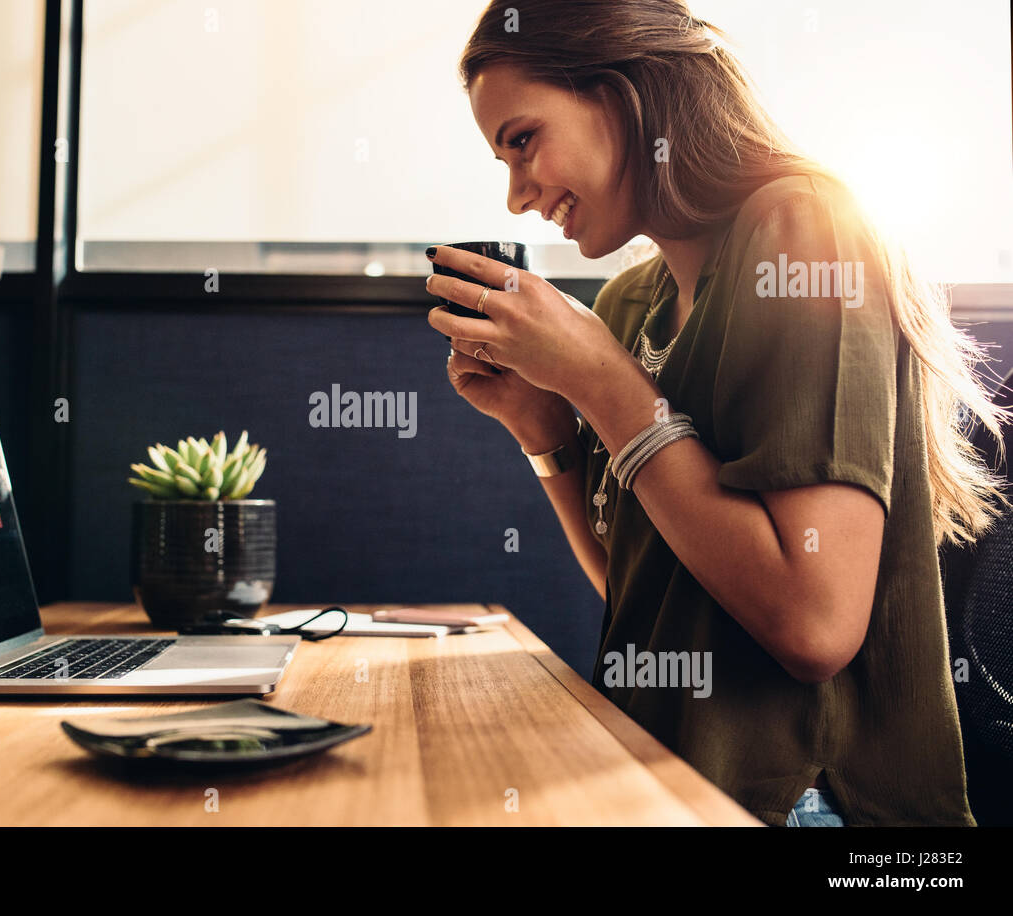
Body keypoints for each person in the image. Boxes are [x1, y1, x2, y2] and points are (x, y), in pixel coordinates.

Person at [426, 0, 1009, 826]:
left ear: (626, 89)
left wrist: (602, 381)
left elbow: (814, 625)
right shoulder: (631, 299)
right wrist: (547, 436)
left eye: (523, 141)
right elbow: (646, 586)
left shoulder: (807, 230)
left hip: (803, 800)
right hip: (664, 775)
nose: (518, 196)